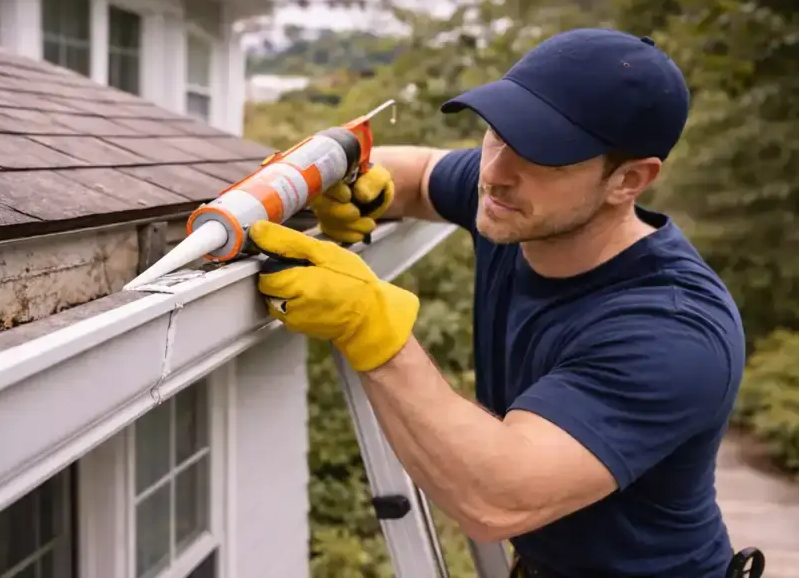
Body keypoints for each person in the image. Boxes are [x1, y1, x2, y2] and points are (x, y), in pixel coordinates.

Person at [245, 28, 748, 576]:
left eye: (544, 153)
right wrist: (355, 184)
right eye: (496, 133)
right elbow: (420, 173)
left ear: (628, 180)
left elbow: (499, 497)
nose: (495, 172)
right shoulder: (522, 201)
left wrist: (372, 327)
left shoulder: (673, 330)